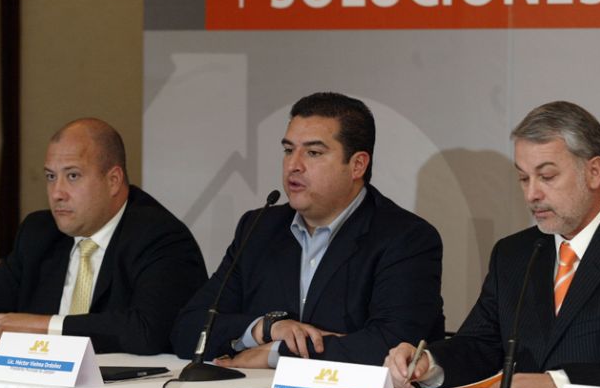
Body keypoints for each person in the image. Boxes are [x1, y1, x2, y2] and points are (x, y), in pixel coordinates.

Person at [172, 92, 445, 368]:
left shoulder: (406, 238)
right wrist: (265, 329)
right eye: (289, 150)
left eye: (313, 153)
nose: (293, 165)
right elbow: (188, 329)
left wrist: (274, 354)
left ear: (357, 165)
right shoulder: (259, 228)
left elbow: (395, 348)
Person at [384, 101, 600, 388]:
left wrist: (558, 385)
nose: (531, 194)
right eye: (523, 178)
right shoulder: (514, 254)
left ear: (594, 171)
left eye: (547, 176)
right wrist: (428, 363)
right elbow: (481, 344)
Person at [0, 118, 208, 354]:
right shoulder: (39, 233)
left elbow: (148, 330)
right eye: (50, 177)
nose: (57, 193)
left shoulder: (159, 236)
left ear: (113, 181)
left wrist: (43, 327)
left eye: (73, 176)